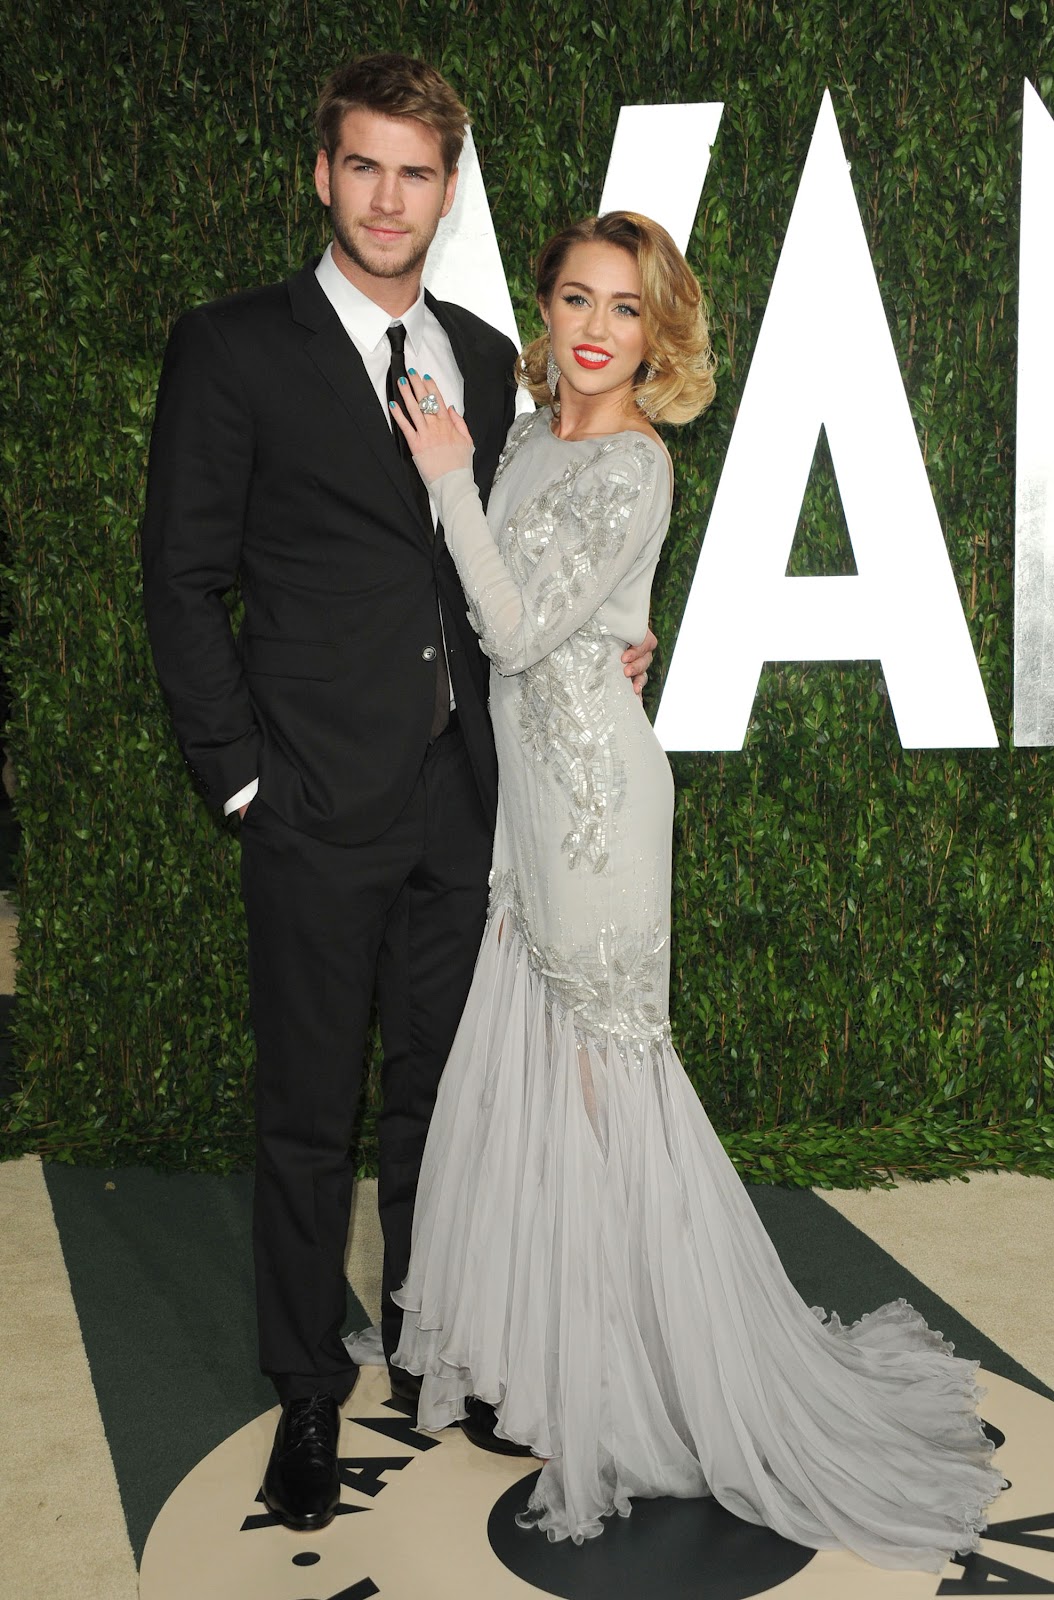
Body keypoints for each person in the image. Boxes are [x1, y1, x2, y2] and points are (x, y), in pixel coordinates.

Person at [389, 209, 1005, 1568]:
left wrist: (445, 478)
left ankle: (648, 1377)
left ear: (655, 334)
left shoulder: (637, 465)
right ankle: (553, 1356)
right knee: (543, 1074)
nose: (596, 329)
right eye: (577, 299)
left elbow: (510, 622)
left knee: (606, 1088)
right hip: (529, 806)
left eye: (625, 308)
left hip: (599, 810)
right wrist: (622, 623)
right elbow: (535, 609)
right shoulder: (529, 438)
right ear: (548, 310)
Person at [142, 51, 657, 1534]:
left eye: (415, 172)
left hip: (465, 806)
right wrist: (241, 780)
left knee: (445, 1103)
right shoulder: (234, 347)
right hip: (307, 801)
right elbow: (181, 579)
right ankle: (310, 1392)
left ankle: (440, 1351)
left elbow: (524, 556)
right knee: (309, 1115)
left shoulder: (491, 358)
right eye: (363, 165)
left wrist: (622, 637)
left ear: (446, 190)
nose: (387, 198)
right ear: (325, 175)